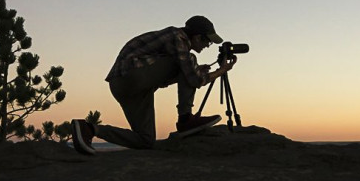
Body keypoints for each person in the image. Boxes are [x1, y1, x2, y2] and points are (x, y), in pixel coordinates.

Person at [70, 15, 237, 155]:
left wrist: (195, 71)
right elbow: (193, 80)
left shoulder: (175, 43)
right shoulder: (178, 36)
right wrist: (221, 71)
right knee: (190, 62)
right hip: (132, 75)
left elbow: (164, 79)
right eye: (207, 42)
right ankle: (185, 119)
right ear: (197, 36)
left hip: (124, 86)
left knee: (146, 140)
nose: (207, 46)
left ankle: (90, 129)